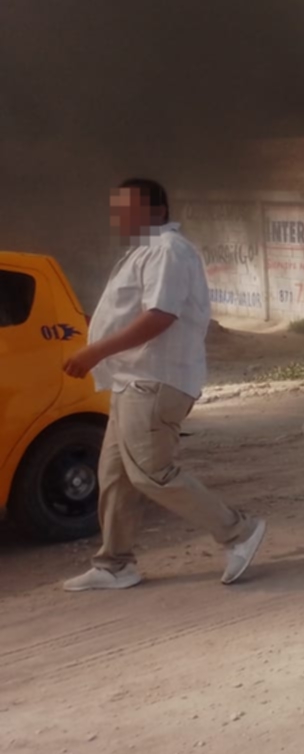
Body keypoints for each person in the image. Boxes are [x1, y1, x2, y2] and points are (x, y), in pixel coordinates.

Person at [61, 179, 267, 591]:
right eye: (117, 209)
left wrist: (95, 351)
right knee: (116, 476)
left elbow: (160, 316)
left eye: (128, 208)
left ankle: (238, 532)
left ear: (156, 210)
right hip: (130, 381)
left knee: (151, 474)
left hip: (154, 381)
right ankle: (115, 565)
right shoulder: (143, 251)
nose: (120, 216)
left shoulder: (168, 250)